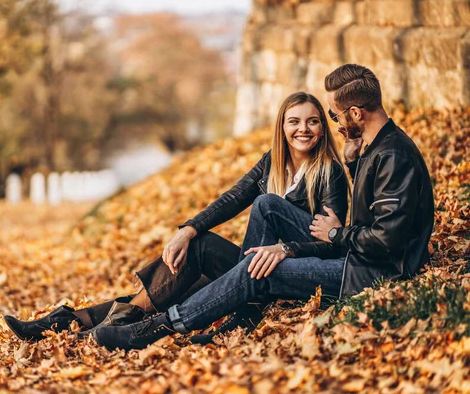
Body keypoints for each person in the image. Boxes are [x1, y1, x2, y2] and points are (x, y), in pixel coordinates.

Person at [91, 64, 435, 351]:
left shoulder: (392, 155)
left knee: (258, 267)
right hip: (356, 261)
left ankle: (159, 329)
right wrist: (189, 227)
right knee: (264, 209)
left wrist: (330, 234)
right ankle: (206, 308)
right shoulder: (373, 149)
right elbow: (235, 197)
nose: (335, 124)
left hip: (367, 273)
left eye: (331, 116)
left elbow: (386, 239)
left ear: (356, 113)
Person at [4, 92, 349, 344]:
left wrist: (286, 248)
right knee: (192, 253)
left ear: (322, 127)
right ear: (282, 126)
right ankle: (71, 321)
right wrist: (187, 229)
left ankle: (104, 323)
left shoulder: (329, 173)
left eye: (312, 121)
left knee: (256, 214)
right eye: (294, 121)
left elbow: (329, 245)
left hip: (280, 274)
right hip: (252, 264)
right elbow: (231, 199)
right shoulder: (273, 161)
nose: (303, 129)